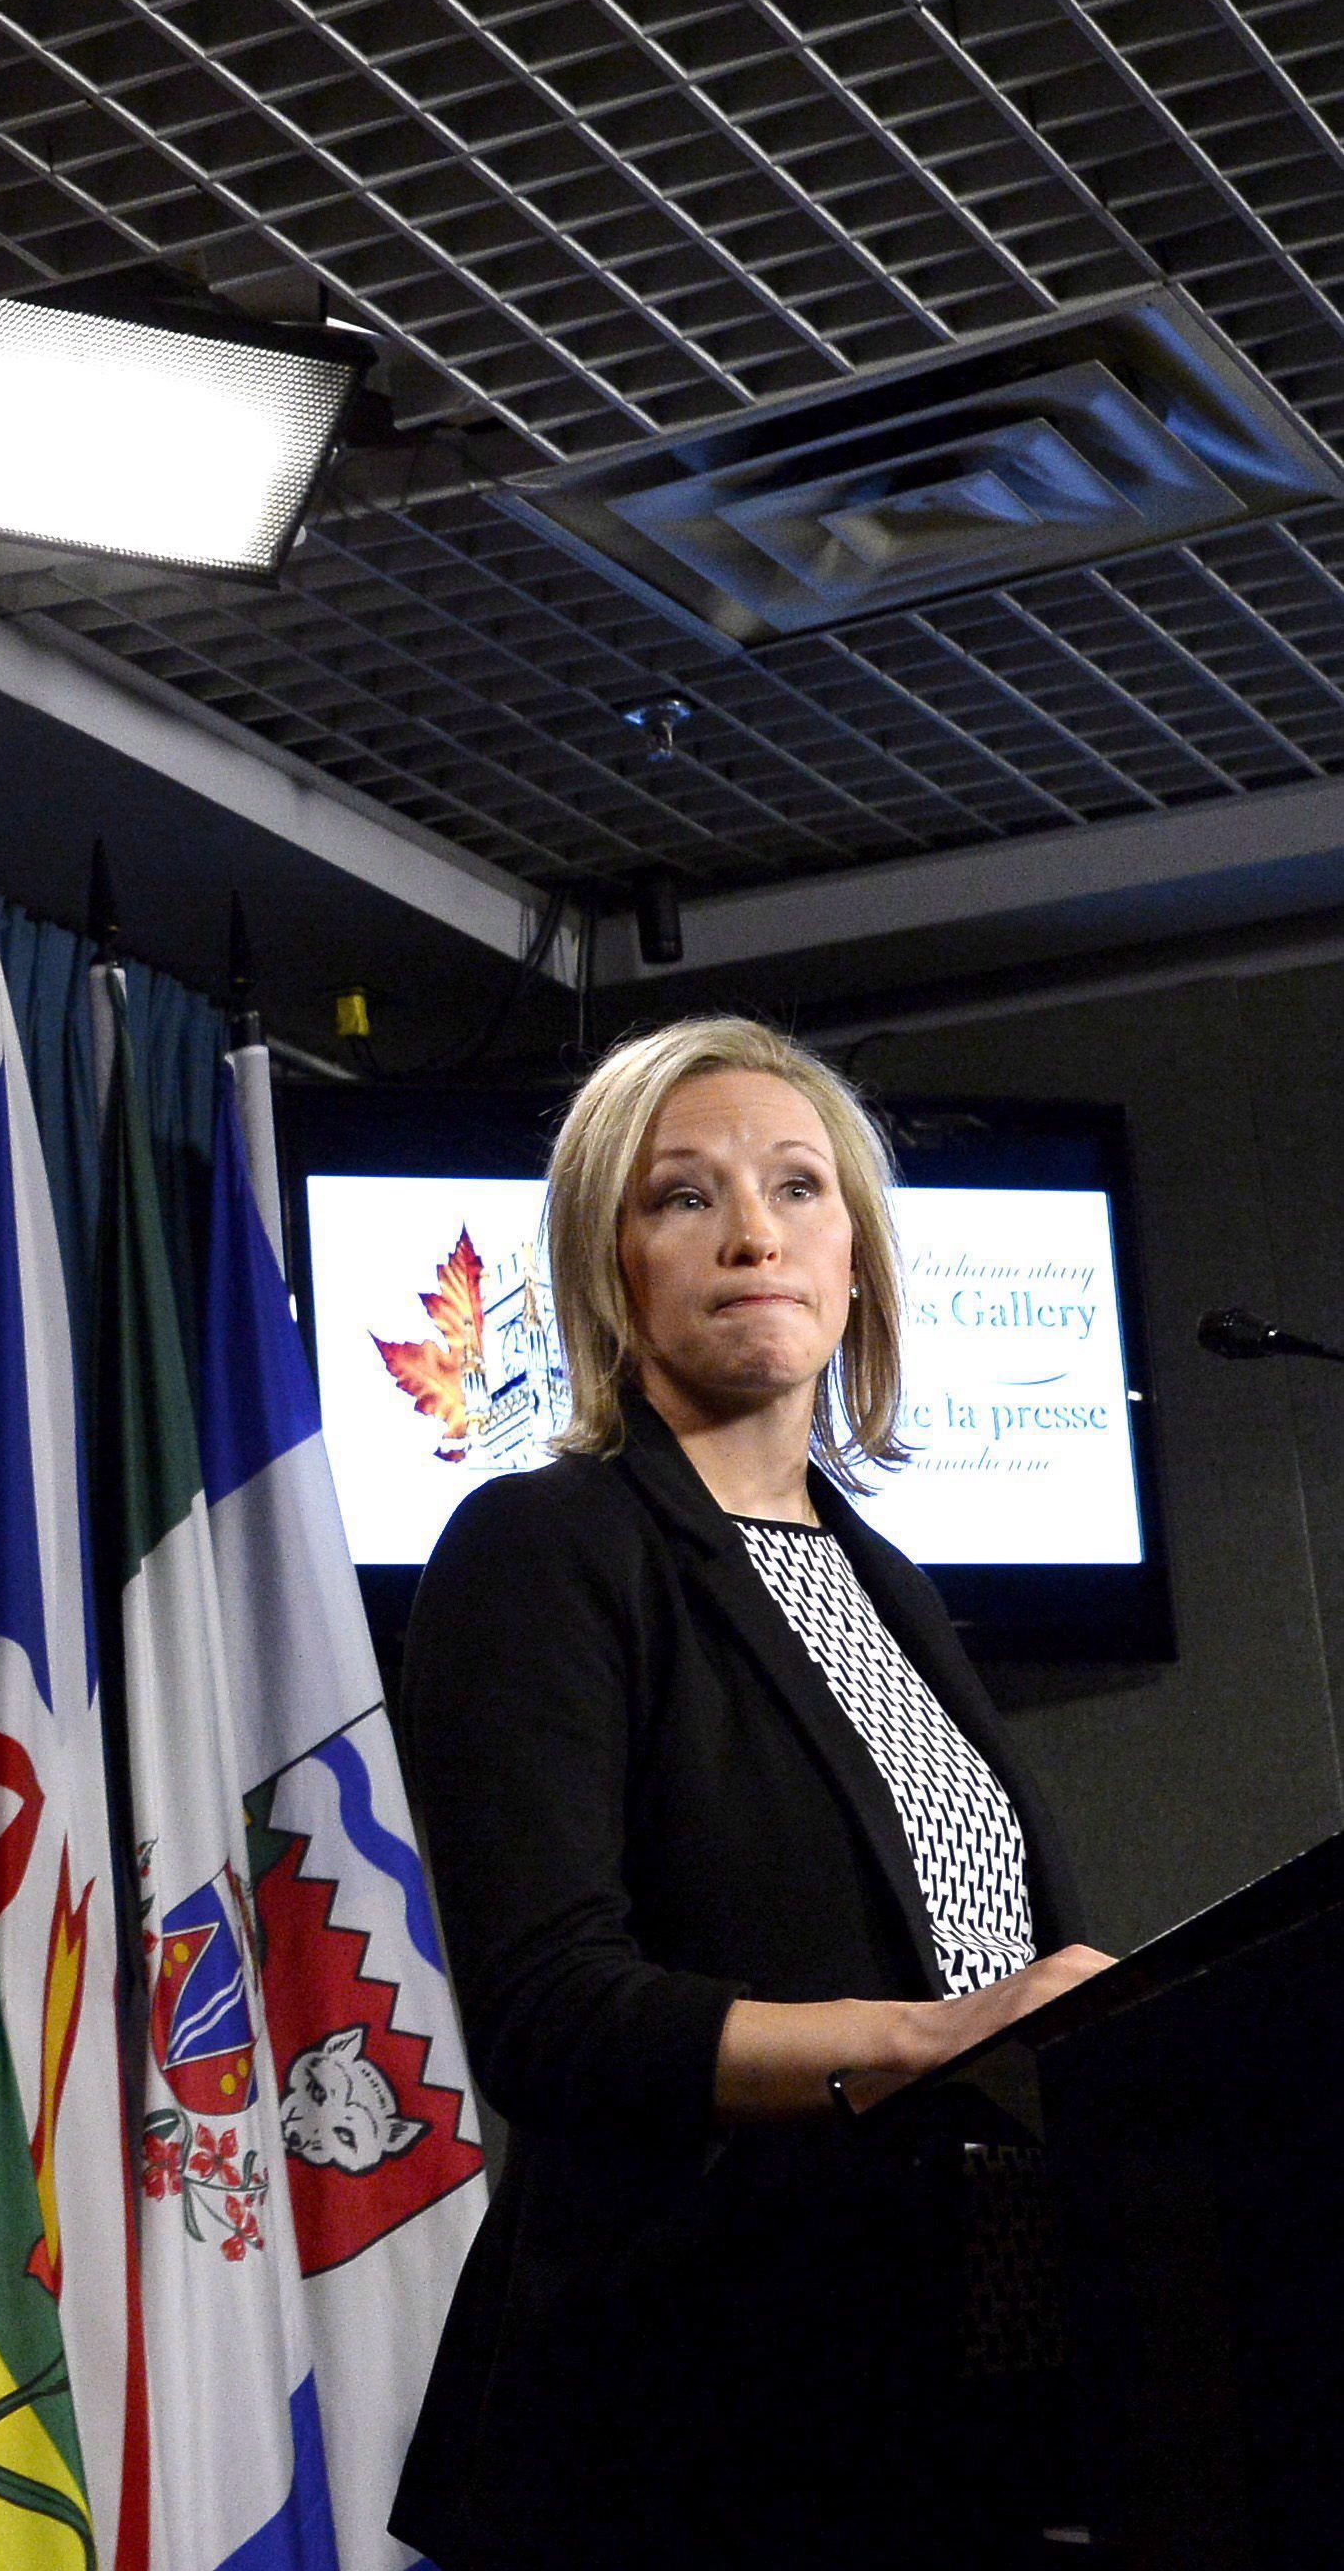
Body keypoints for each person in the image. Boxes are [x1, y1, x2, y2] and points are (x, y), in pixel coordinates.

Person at [389, 1017, 1114, 2570]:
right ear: (609, 1268)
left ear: (855, 1261)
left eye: (798, 1187)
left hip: (948, 2401)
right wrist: (931, 2042)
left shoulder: (887, 1583)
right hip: (679, 2426)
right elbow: (552, 2012)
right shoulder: (542, 1548)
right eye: (682, 1196)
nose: (752, 1232)